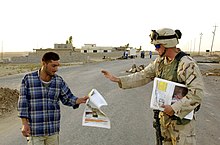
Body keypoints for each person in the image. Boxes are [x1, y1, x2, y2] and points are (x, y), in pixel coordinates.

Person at [101, 28, 204, 145]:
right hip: (164, 122)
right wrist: (118, 79)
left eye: (157, 46)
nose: (156, 49)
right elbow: (143, 75)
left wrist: (174, 108)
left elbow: (196, 94)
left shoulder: (186, 64)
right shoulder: (160, 62)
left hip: (181, 125)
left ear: (168, 44)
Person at [18, 52, 89, 145]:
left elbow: (68, 98)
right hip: (35, 130)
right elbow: (23, 103)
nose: (56, 69)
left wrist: (80, 100)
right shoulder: (28, 79)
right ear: (44, 63)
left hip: (53, 131)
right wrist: (24, 123)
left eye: (57, 66)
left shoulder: (58, 81)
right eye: (53, 66)